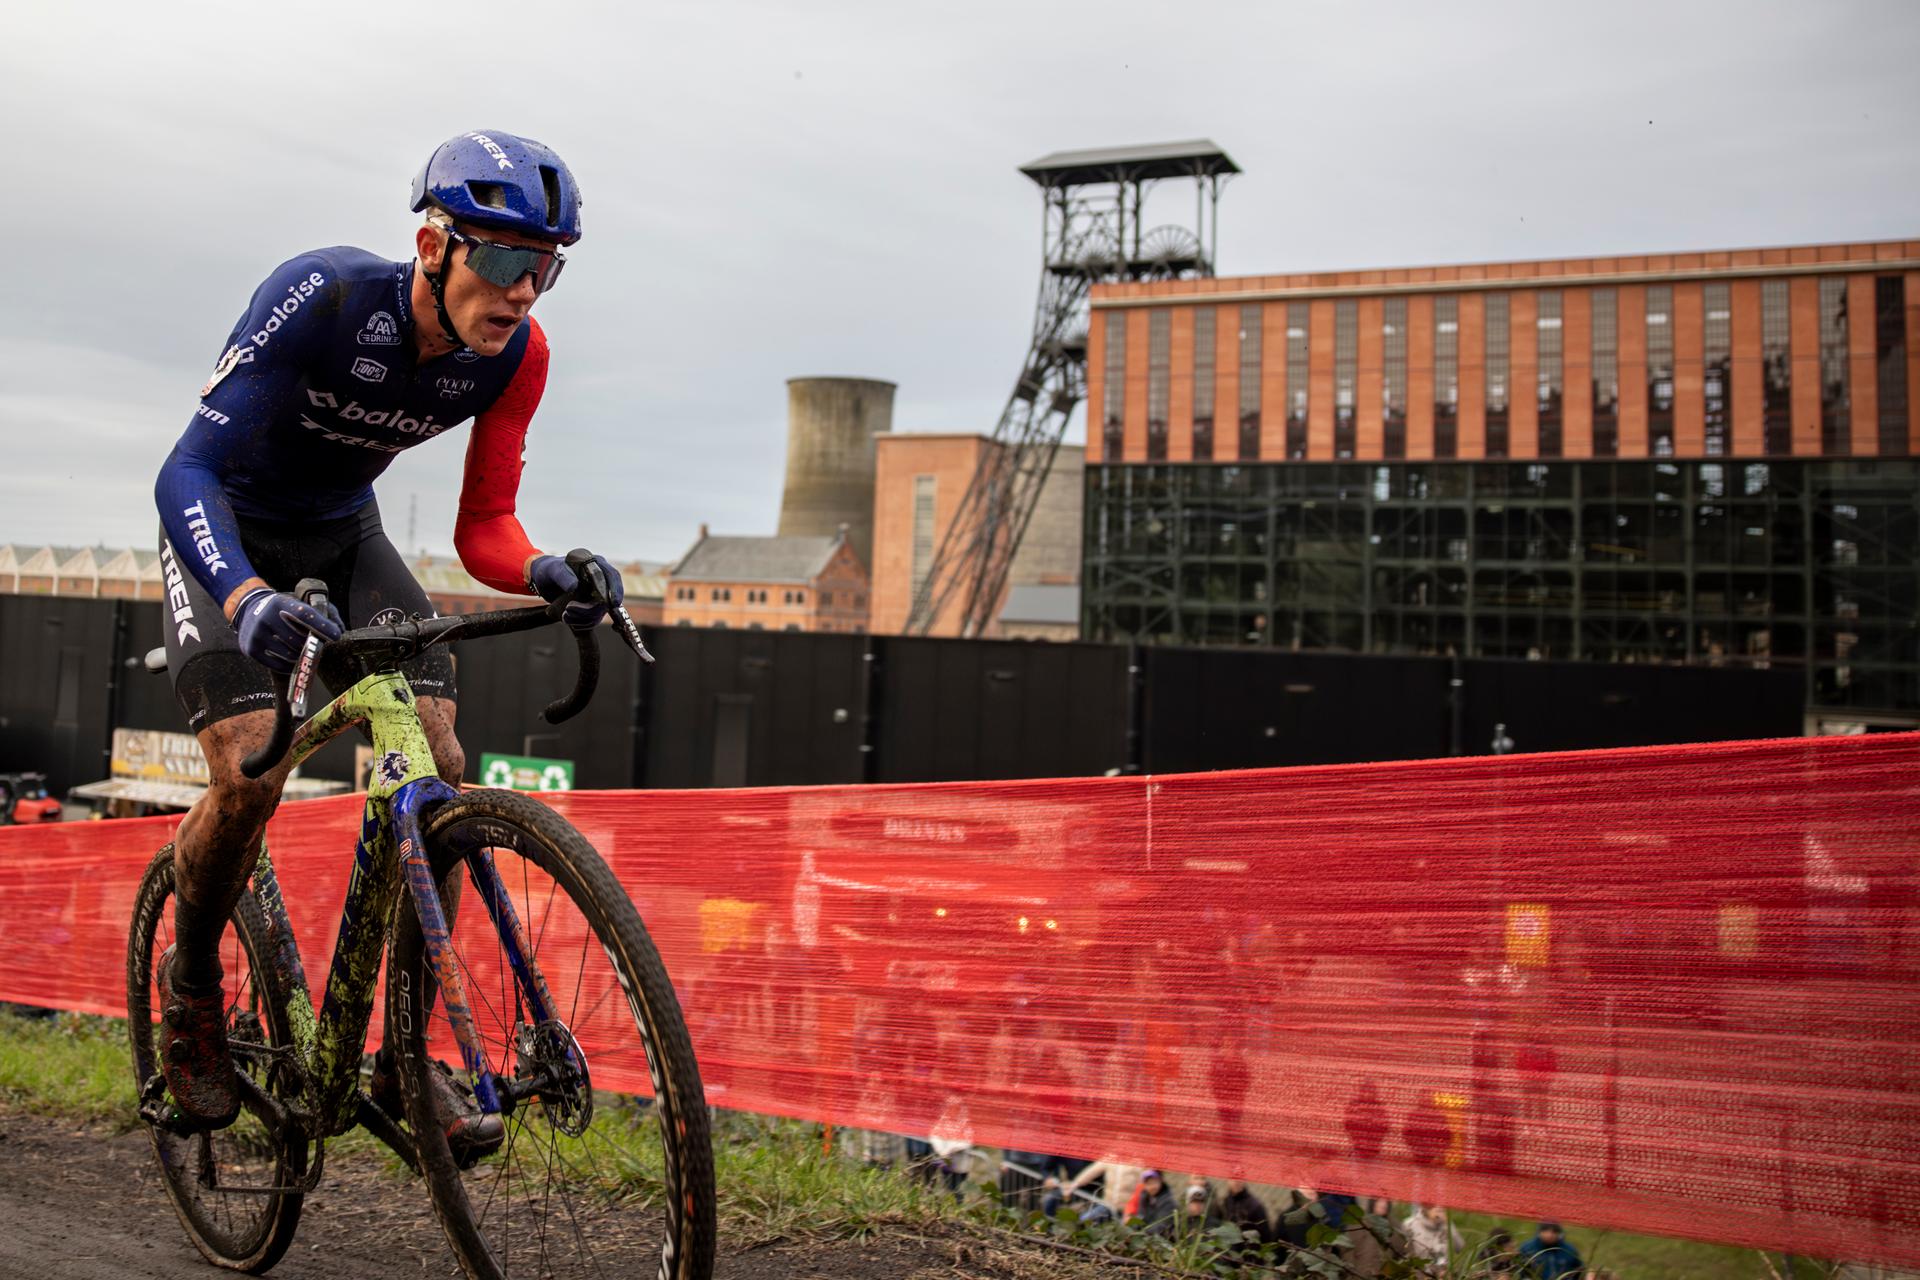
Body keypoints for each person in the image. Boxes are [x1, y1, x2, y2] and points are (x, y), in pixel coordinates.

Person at [149, 130, 623, 1162]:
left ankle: (404, 1054)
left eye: (545, 269)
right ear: (433, 243)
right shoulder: (323, 297)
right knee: (248, 770)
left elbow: (483, 528)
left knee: (440, 761)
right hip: (228, 530)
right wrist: (243, 597)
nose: (521, 292)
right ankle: (190, 990)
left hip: (344, 534)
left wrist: (543, 566)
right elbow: (185, 474)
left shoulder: (516, 358)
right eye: (501, 260)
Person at [1400, 1204, 1464, 1270]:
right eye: (1436, 1207)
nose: (1440, 1210)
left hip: (1442, 1273)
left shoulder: (1447, 1225)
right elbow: (1403, 1251)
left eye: (1442, 1209)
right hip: (1420, 1272)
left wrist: (1449, 1226)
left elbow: (1460, 1248)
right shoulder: (1409, 1224)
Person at [1518, 1222, 1585, 1280]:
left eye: (1554, 1231)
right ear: (1539, 1231)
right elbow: (1521, 1273)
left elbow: (1579, 1271)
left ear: (1559, 1233)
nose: (1549, 1235)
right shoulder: (1527, 1249)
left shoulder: (1569, 1250)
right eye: (1545, 1230)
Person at [1218, 1177, 1272, 1245]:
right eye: (1232, 1179)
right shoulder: (1224, 1203)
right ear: (1227, 1180)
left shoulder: (1255, 1206)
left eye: (1239, 1179)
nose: (1236, 1182)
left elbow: (1265, 1236)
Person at [1130, 1169, 1177, 1234]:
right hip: (1145, 1236)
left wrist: (1142, 1233)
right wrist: (1130, 1228)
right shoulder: (1144, 1198)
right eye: (1148, 1184)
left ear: (1161, 1181)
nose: (1151, 1187)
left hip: (1162, 1240)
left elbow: (1162, 1225)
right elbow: (1140, 1216)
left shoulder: (1169, 1202)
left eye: (1154, 1182)